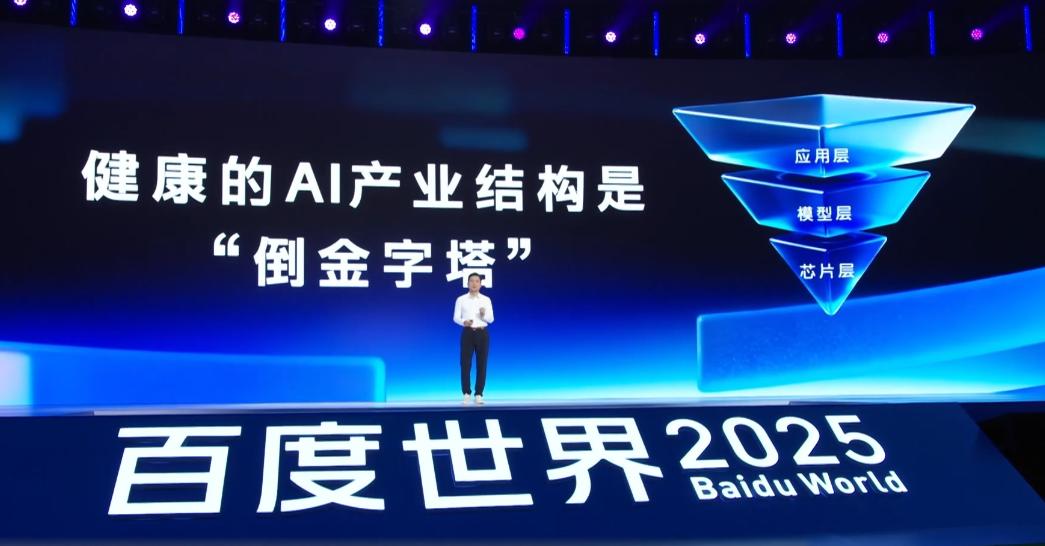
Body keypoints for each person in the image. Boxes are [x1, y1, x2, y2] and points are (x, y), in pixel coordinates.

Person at [453, 272, 493, 405]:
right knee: (465, 364)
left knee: (482, 364)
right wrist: (463, 322)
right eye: (471, 281)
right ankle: (466, 393)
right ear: (467, 283)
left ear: (480, 284)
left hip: (482, 333)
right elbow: (456, 317)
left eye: (477, 281)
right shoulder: (461, 299)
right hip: (467, 333)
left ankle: (479, 394)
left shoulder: (486, 300)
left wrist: (483, 315)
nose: (474, 283)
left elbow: (491, 319)